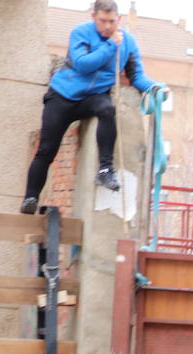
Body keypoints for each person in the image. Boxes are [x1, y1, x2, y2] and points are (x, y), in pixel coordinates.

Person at [21, 0, 162, 215]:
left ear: (119, 20)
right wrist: (110, 46)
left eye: (112, 22)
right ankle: (30, 197)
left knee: (107, 110)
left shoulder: (128, 42)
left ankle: (105, 169)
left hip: (92, 98)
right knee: (46, 150)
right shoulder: (81, 33)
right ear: (93, 17)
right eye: (102, 21)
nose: (107, 26)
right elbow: (83, 64)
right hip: (62, 96)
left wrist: (154, 87)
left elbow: (135, 75)